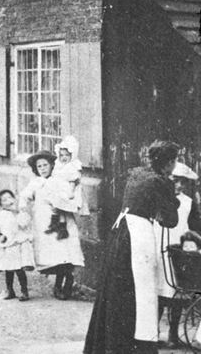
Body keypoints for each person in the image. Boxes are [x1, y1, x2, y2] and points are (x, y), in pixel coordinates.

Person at [84, 140, 181, 354]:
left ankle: (109, 343)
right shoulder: (161, 181)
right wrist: (174, 200)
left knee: (117, 288)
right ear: (169, 162)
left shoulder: (137, 173)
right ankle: (136, 346)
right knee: (140, 291)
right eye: (174, 161)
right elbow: (171, 220)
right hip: (139, 237)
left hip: (120, 231)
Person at [19, 150, 84, 299]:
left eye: (45, 165)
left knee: (67, 252)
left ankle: (67, 284)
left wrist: (65, 201)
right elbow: (25, 195)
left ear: (52, 165)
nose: (42, 168)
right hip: (45, 223)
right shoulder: (36, 183)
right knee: (56, 255)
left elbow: (70, 194)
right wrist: (23, 207)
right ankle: (58, 287)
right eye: (39, 166)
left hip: (62, 220)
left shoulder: (59, 180)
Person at [155, 162, 201, 348]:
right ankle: (153, 332)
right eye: (175, 181)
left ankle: (173, 333)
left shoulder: (188, 203)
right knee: (157, 295)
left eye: (182, 182)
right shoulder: (158, 199)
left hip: (178, 254)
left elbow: (194, 229)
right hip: (158, 250)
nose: (179, 186)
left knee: (177, 294)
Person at [0, 189, 35, 301]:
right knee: (8, 270)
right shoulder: (0, 216)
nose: (9, 201)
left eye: (10, 198)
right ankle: (10, 291)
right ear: (1, 204)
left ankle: (24, 291)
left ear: (15, 199)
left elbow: (25, 225)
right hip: (8, 246)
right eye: (4, 200)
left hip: (18, 246)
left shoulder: (20, 213)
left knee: (19, 269)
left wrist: (20, 213)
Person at [45, 136, 83, 239]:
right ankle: (56, 224)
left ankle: (62, 227)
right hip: (59, 188)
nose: (64, 158)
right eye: (61, 155)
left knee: (62, 208)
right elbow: (55, 175)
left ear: (72, 155)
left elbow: (74, 180)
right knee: (56, 206)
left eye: (67, 155)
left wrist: (70, 190)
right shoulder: (59, 164)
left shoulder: (73, 166)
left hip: (69, 190)